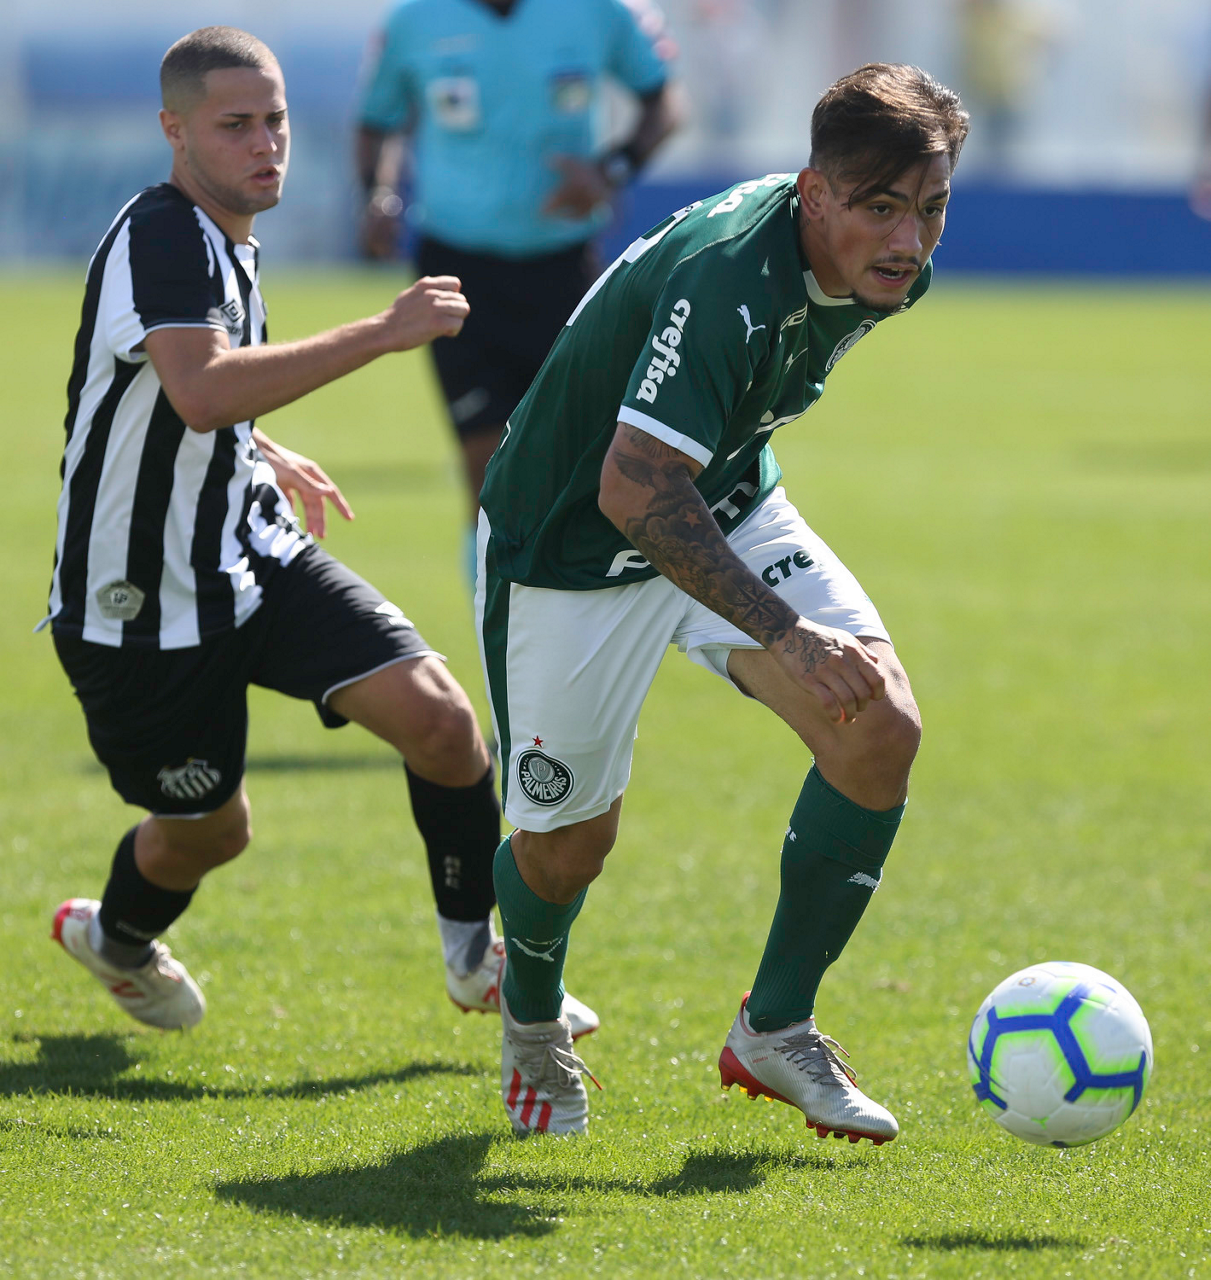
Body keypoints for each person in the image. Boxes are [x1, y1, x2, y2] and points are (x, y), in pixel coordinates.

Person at [43, 25, 595, 1040]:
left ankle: (475, 957)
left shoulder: (224, 238)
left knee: (442, 725)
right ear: (174, 130)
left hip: (249, 550)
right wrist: (381, 333)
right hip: (140, 604)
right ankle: (114, 938)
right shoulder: (163, 235)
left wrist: (260, 449)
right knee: (210, 833)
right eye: (235, 125)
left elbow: (187, 396)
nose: (265, 144)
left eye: (277, 121)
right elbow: (201, 390)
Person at [476, 63, 969, 1138]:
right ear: (813, 194)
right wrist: (785, 634)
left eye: (931, 208)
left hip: (722, 502)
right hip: (568, 546)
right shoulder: (727, 281)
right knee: (567, 847)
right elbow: (629, 488)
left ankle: (773, 1028)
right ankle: (529, 1016)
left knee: (876, 726)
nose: (909, 240)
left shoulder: (886, 270)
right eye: (881, 208)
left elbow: (686, 460)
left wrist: (787, 630)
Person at [353, 0, 681, 552]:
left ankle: (575, 597)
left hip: (564, 266)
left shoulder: (603, 10)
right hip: (456, 271)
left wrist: (612, 168)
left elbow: (664, 101)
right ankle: (490, 603)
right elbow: (375, 120)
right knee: (486, 470)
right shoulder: (414, 19)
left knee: (584, 464)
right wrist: (376, 195)